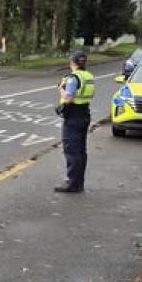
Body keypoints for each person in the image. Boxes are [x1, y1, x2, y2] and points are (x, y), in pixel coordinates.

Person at [54, 49, 95, 193]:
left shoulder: (73, 78)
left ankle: (72, 183)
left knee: (72, 150)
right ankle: (79, 182)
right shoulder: (88, 76)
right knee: (81, 150)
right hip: (84, 113)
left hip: (73, 116)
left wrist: (61, 89)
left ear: (72, 62)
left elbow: (68, 98)